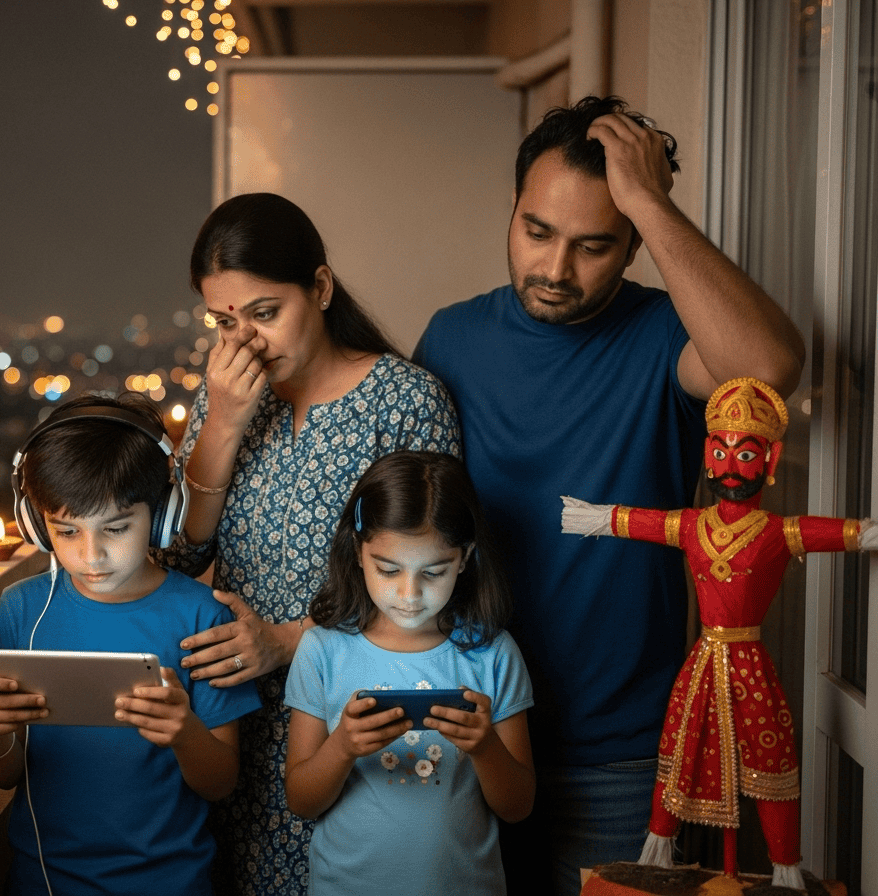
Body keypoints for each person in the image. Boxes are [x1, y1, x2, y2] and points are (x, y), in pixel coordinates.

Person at [412, 95, 805, 895]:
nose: (556, 269)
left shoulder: (666, 337)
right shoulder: (450, 338)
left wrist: (650, 201)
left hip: (620, 756)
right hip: (466, 731)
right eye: (537, 231)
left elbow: (766, 367)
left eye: (595, 245)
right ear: (513, 209)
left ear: (633, 245)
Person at [158, 192, 462, 895]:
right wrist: (224, 427)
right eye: (224, 322)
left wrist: (286, 642)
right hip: (235, 722)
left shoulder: (407, 402)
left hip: (353, 722)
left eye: (265, 313)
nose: (246, 342)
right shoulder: (222, 397)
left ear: (320, 288)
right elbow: (178, 556)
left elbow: (433, 595)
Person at [562, 377, 878, 891]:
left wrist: (864, 533)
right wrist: (594, 517)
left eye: (746, 454)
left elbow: (843, 533)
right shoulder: (692, 526)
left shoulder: (778, 532)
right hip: (703, 660)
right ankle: (657, 852)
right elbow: (641, 521)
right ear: (708, 456)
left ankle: (785, 868)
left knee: (769, 760)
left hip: (749, 662)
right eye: (720, 451)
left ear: (770, 463)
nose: (731, 467)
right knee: (681, 748)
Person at [0, 393, 262, 896]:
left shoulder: (201, 616)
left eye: (117, 528)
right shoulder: (22, 610)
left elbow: (221, 783)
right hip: (43, 884)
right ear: (37, 525)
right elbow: (2, 776)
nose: (91, 555)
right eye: (66, 531)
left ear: (164, 513)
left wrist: (184, 731)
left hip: (172, 884)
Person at [284, 450, 534, 894]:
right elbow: (301, 800)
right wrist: (342, 746)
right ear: (359, 553)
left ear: (464, 559)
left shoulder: (492, 654)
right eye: (388, 569)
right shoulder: (323, 650)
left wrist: (486, 747)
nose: (409, 594)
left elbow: (518, 807)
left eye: (433, 572)